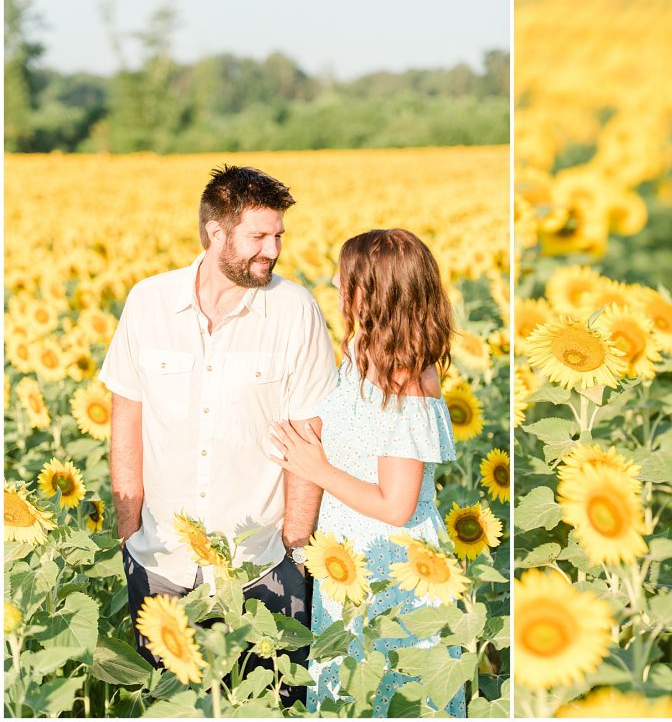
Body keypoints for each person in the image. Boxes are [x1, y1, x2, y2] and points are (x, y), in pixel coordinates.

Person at [98, 165, 336, 706]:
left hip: (262, 567)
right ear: (215, 234)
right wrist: (130, 534)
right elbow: (126, 418)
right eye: (258, 236)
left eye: (278, 236)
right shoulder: (148, 303)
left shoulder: (294, 310)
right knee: (172, 709)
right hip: (162, 563)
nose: (272, 250)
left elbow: (308, 434)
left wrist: (296, 551)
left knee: (268, 708)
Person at [266, 228, 466, 717]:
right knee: (347, 693)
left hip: (393, 572)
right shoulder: (360, 350)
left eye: (347, 277)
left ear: (378, 292)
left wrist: (317, 468)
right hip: (349, 558)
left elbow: (396, 506)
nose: (335, 282)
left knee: (388, 694)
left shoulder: (408, 378)